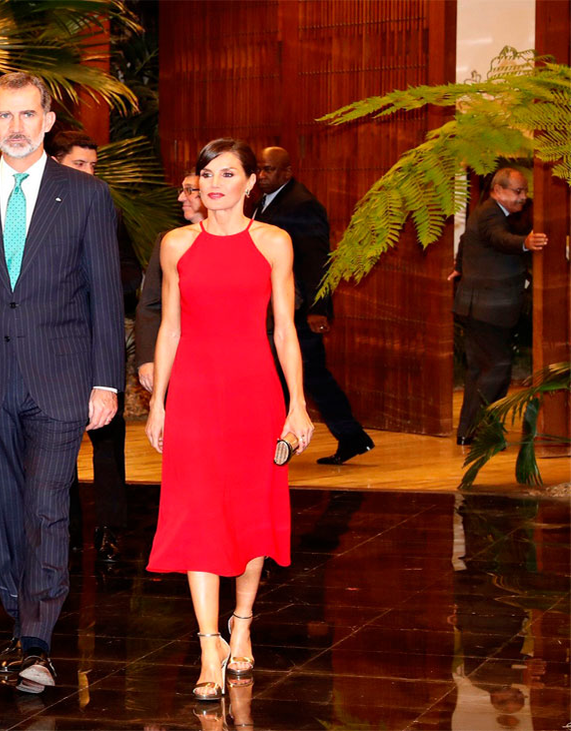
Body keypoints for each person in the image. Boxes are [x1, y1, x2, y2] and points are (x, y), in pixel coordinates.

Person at [0, 72, 124, 693]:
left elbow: (105, 293)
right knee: (5, 508)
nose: (16, 127)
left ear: (47, 121)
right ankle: (19, 616)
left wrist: (107, 382)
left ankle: (37, 637)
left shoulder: (85, 195)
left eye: (27, 115)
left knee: (46, 505)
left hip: (61, 381)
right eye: (4, 116)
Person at [145, 138, 312, 701]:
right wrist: (158, 402)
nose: (213, 184)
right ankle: (208, 644)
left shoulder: (273, 242)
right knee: (197, 514)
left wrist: (297, 403)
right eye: (206, 174)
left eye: (226, 174)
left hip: (254, 393)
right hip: (194, 395)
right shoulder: (176, 244)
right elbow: (170, 327)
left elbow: (285, 330)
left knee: (249, 511)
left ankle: (241, 623)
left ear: (250, 183)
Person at [254, 146, 374, 465]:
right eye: (259, 169)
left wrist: (318, 309)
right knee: (297, 375)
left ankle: (347, 436)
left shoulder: (301, 204)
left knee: (311, 375)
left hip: (298, 309)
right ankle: (347, 437)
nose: (262, 175)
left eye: (269, 170)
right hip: (276, 308)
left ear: (287, 172)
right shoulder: (263, 202)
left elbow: (317, 261)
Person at [47, 129, 134, 564]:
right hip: (51, 347)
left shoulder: (103, 205)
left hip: (98, 340)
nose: (89, 173)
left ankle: (111, 528)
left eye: (93, 166)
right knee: (54, 444)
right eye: (79, 164)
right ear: (55, 162)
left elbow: (126, 275)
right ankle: (64, 529)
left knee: (108, 438)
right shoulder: (28, 211)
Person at [452, 167, 547, 444]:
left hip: (479, 307)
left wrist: (460, 268)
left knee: (480, 370)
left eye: (525, 191)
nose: (523, 197)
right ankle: (480, 432)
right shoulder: (491, 214)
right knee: (496, 368)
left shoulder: (486, 211)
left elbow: (465, 239)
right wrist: (525, 243)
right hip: (489, 309)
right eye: (518, 191)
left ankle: (469, 432)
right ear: (498, 190)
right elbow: (498, 238)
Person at [137, 173, 208, 392]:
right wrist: (148, 358)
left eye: (189, 190)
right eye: (181, 190)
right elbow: (151, 304)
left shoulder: (255, 239)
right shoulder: (168, 242)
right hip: (178, 358)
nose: (180, 198)